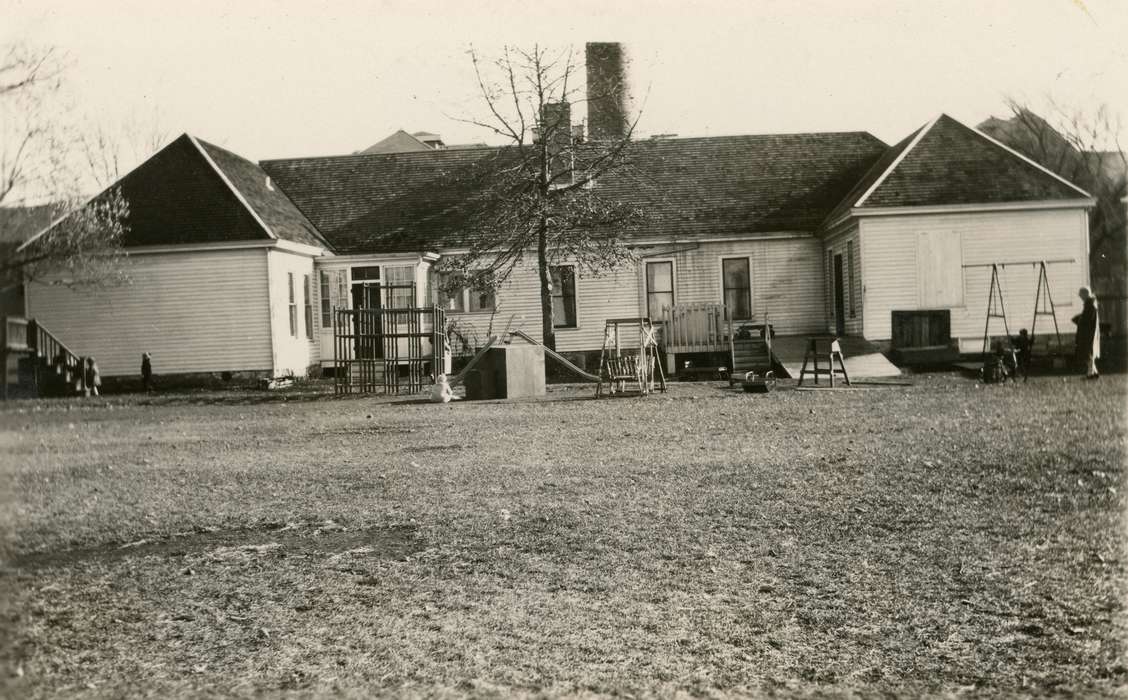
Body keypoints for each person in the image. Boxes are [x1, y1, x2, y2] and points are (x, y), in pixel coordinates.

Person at [1071, 287, 1100, 379]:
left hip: (1088, 334)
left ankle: (1090, 374)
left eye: (1081, 295)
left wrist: (1079, 320)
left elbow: (1087, 320)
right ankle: (1094, 372)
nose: (1080, 297)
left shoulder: (1090, 305)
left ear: (1085, 295)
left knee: (1088, 354)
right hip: (1089, 333)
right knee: (1089, 353)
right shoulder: (1090, 304)